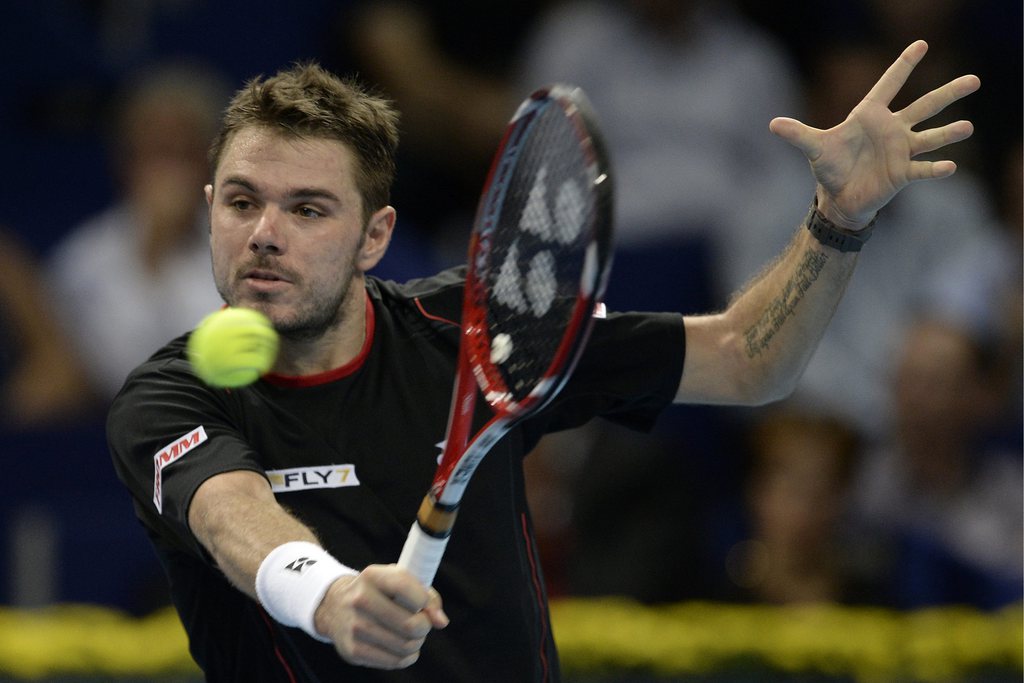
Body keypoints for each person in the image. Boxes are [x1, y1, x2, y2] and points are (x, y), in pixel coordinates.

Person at [107, 42, 979, 681]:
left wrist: (840, 217)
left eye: (307, 208)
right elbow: (232, 516)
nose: (265, 232)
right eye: (242, 200)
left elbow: (749, 358)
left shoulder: (485, 328)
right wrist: (329, 595)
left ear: (376, 235)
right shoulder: (167, 396)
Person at [47, 63, 229, 402]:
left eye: (181, 155)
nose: (166, 174)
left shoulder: (244, 244)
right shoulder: (83, 258)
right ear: (125, 161)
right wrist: (151, 256)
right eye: (154, 153)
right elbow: (107, 372)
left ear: (210, 162)